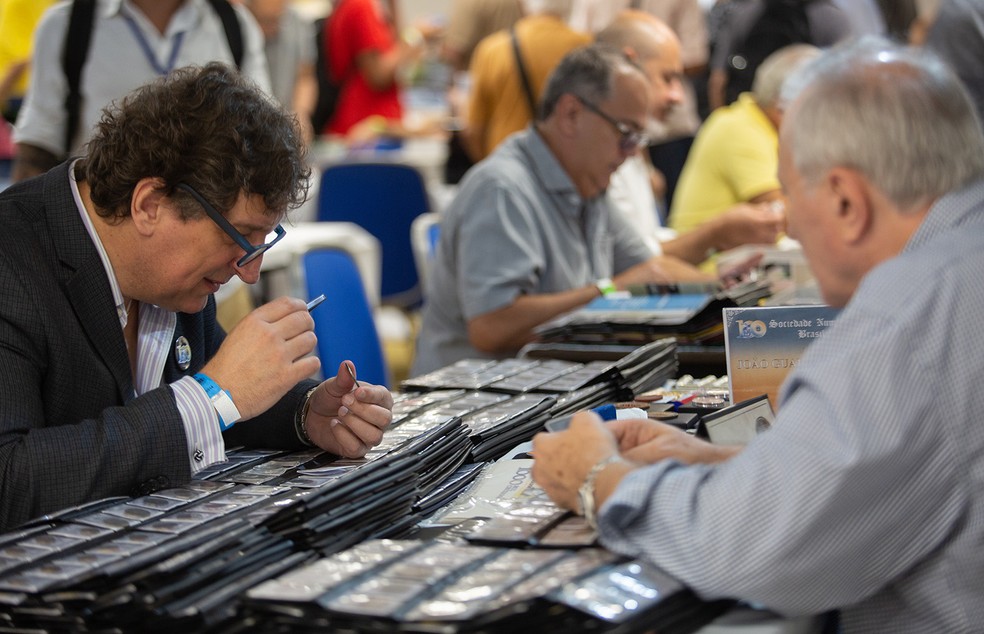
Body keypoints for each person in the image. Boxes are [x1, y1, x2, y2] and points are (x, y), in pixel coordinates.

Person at [532, 38, 984, 631]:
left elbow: (752, 552)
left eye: (791, 194)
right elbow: (891, 478)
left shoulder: (904, 321)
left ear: (847, 202)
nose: (789, 222)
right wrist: (732, 465)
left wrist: (598, 479)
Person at [0, 63, 394, 531]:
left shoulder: (170, 273)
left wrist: (309, 415)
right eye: (241, 237)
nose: (248, 272)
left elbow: (225, 406)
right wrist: (211, 396)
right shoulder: (12, 261)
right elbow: (11, 482)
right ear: (149, 204)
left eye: (262, 242)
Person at [412, 45, 712, 376]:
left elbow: (649, 269)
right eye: (626, 134)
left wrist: (725, 292)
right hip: (476, 405)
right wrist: (608, 289)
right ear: (571, 114)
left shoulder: (586, 181)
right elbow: (491, 327)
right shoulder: (502, 189)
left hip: (547, 386)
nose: (631, 153)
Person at [12, 0, 271, 183]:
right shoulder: (67, 25)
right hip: (96, 225)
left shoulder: (233, 24)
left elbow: (260, 134)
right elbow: (38, 147)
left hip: (207, 224)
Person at [597, 10, 784, 263]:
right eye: (668, 78)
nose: (678, 96)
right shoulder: (597, 154)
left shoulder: (630, 151)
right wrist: (714, 234)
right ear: (629, 65)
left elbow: (642, 247)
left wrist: (715, 244)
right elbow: (625, 265)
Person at [669, 43, 820, 253]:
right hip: (709, 271)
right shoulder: (738, 128)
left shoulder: (758, 124)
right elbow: (790, 217)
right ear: (783, 103)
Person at [461, 0, 591, 162]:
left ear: (522, 4)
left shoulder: (492, 49)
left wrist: (488, 162)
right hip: (567, 165)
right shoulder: (588, 47)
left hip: (506, 161)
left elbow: (474, 128)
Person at [321, 0, 423, 137]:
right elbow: (378, 76)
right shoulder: (361, 6)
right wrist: (415, 37)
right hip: (365, 125)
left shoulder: (357, 5)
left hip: (372, 123)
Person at [243, 0, 318, 143]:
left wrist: (301, 114)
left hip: (287, 121)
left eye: (278, 19)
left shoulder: (299, 24)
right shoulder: (236, 27)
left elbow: (306, 77)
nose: (273, 28)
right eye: (265, 21)